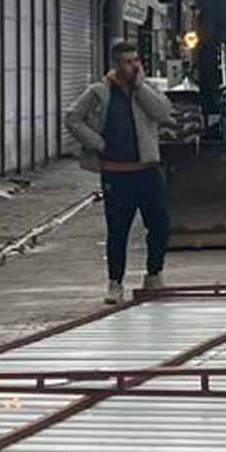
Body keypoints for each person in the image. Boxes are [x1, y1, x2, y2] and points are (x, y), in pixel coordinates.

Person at [67, 39, 176, 304]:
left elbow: (163, 113)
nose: (134, 66)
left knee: (160, 224)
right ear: (116, 65)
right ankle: (115, 283)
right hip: (117, 174)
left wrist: (140, 87)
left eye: (136, 60)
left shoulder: (146, 89)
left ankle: (154, 274)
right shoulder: (99, 92)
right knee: (118, 230)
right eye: (128, 62)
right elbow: (72, 117)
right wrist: (96, 142)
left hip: (148, 169)